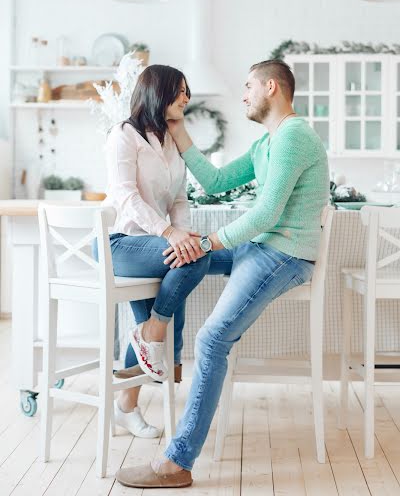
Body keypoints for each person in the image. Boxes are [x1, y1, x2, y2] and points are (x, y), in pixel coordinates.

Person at [115, 59, 330, 489]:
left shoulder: (293, 136)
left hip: (283, 256)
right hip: (263, 247)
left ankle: (178, 462)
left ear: (272, 87)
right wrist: (177, 129)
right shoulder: (267, 144)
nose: (244, 94)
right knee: (176, 261)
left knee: (211, 339)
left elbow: (266, 212)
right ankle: (146, 353)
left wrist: (209, 241)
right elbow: (214, 182)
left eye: (249, 86)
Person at [98, 64, 210, 439]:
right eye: (180, 91)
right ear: (158, 92)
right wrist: (169, 232)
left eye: (186, 91)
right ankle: (155, 329)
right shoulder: (123, 136)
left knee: (192, 252)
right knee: (198, 254)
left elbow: (179, 196)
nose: (186, 98)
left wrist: (181, 229)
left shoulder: (170, 140)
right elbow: (126, 198)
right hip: (121, 245)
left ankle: (125, 406)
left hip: (152, 245)